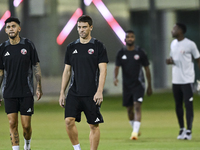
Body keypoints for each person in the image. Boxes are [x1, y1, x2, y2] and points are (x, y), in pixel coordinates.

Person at [59, 15, 108, 150]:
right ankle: (77, 148)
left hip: (91, 93)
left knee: (93, 125)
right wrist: (62, 92)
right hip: (74, 92)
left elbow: (103, 71)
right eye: (79, 27)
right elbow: (67, 71)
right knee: (68, 121)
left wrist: (99, 91)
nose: (81, 30)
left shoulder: (98, 46)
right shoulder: (71, 47)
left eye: (84, 27)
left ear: (91, 27)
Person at [0, 17, 43, 150]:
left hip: (26, 92)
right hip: (9, 92)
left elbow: (36, 65)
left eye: (13, 26)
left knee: (26, 126)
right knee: (12, 123)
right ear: (6, 30)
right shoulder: (2, 48)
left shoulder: (28, 45)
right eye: (8, 27)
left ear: (19, 28)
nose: (11, 29)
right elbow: (1, 72)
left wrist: (39, 87)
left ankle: (27, 145)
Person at [113, 30, 152, 140]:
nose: (130, 38)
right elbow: (116, 67)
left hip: (138, 84)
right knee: (129, 110)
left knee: (137, 106)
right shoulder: (121, 53)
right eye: (128, 37)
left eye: (132, 37)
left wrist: (149, 85)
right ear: (125, 39)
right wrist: (115, 78)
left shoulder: (140, 52)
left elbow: (147, 68)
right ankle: (136, 129)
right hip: (126, 86)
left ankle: (134, 133)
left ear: (134, 39)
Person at [166, 23, 200, 140]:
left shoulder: (190, 44)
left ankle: (189, 131)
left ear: (180, 31)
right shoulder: (173, 44)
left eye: (174, 28)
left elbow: (198, 59)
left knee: (188, 105)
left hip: (187, 80)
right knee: (178, 105)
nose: (172, 30)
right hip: (176, 80)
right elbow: (173, 58)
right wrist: (170, 61)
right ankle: (182, 129)